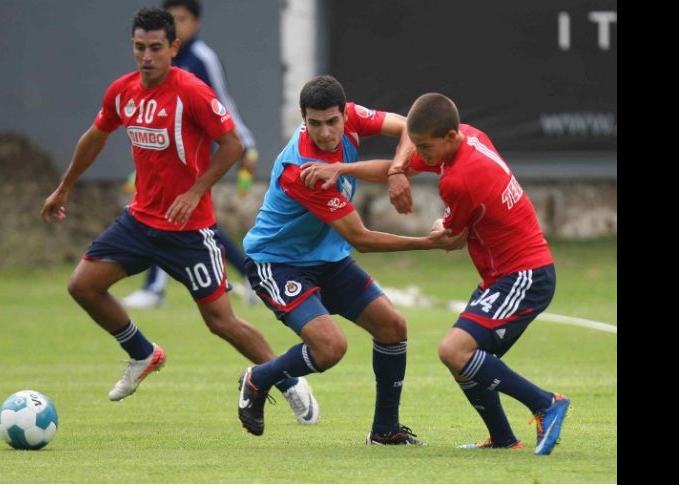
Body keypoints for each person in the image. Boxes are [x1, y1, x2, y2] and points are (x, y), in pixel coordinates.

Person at [40, 7, 319, 426]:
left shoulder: (191, 90)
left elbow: (231, 145)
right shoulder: (123, 91)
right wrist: (63, 187)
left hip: (189, 231)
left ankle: (289, 380)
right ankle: (142, 353)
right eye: (139, 47)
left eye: (156, 47)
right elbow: (95, 136)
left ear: (173, 47)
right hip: (139, 222)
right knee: (83, 285)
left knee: (221, 322)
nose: (147, 56)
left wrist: (196, 190)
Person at [300, 92, 571, 455]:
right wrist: (345, 169)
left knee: (455, 351)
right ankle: (504, 440)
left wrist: (436, 226)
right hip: (504, 275)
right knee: (465, 357)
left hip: (524, 276)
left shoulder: (460, 178)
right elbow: (400, 165)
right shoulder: (468, 137)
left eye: (426, 149)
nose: (421, 157)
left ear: (449, 137)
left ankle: (546, 404)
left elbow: (453, 240)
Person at [236, 75, 467, 442]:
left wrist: (395, 171)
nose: (326, 133)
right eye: (315, 123)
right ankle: (258, 378)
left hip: (326, 258)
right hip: (277, 263)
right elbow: (362, 239)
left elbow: (409, 126)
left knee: (393, 327)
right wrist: (430, 243)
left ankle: (385, 430)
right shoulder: (304, 169)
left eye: (332, 121)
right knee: (330, 348)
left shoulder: (354, 118)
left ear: (345, 114)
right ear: (302, 117)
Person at [122, 0, 259, 310]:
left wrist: (246, 143)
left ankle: (154, 289)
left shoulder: (202, 59)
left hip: (195, 156)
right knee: (196, 224)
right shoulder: (157, 61)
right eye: (171, 18)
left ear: (195, 23)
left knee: (168, 213)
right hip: (164, 156)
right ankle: (253, 276)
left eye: (182, 18)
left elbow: (224, 102)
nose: (176, 24)